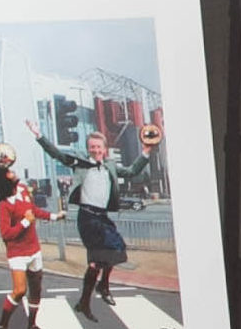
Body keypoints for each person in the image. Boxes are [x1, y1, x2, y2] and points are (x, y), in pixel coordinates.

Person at [23, 121, 159, 315]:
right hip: (87, 217)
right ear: (88, 149)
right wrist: (39, 135)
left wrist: (146, 151)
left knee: (117, 249)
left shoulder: (110, 166)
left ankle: (92, 295)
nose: (95, 150)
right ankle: (93, 295)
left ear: (105, 149)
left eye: (99, 147)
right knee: (96, 261)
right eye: (92, 147)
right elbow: (58, 155)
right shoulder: (81, 164)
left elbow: (131, 172)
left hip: (102, 217)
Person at [0, 154, 51, 329]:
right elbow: (6, 234)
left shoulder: (23, 189)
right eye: (8, 172)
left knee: (36, 288)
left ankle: (32, 324)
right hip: (17, 253)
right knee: (19, 290)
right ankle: (2, 325)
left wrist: (55, 217)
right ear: (4, 180)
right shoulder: (4, 205)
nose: (12, 171)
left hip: (34, 248)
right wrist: (25, 222)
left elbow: (34, 211)